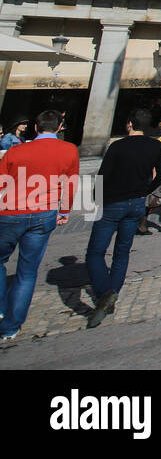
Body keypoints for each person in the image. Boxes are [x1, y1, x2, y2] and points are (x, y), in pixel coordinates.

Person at [86, 109, 161, 329]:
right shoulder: (155, 146)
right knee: (121, 253)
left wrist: (96, 198)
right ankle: (111, 294)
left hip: (112, 203)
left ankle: (105, 293)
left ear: (130, 124)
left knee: (95, 252)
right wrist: (146, 189)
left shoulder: (117, 146)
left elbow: (102, 176)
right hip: (136, 204)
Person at [0, 110, 78, 340]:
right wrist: (64, 212)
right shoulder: (69, 150)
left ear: (35, 128)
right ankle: (12, 326)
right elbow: (70, 184)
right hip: (44, 213)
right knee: (27, 271)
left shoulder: (16, 151)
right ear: (60, 126)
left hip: (11, 211)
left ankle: (2, 311)